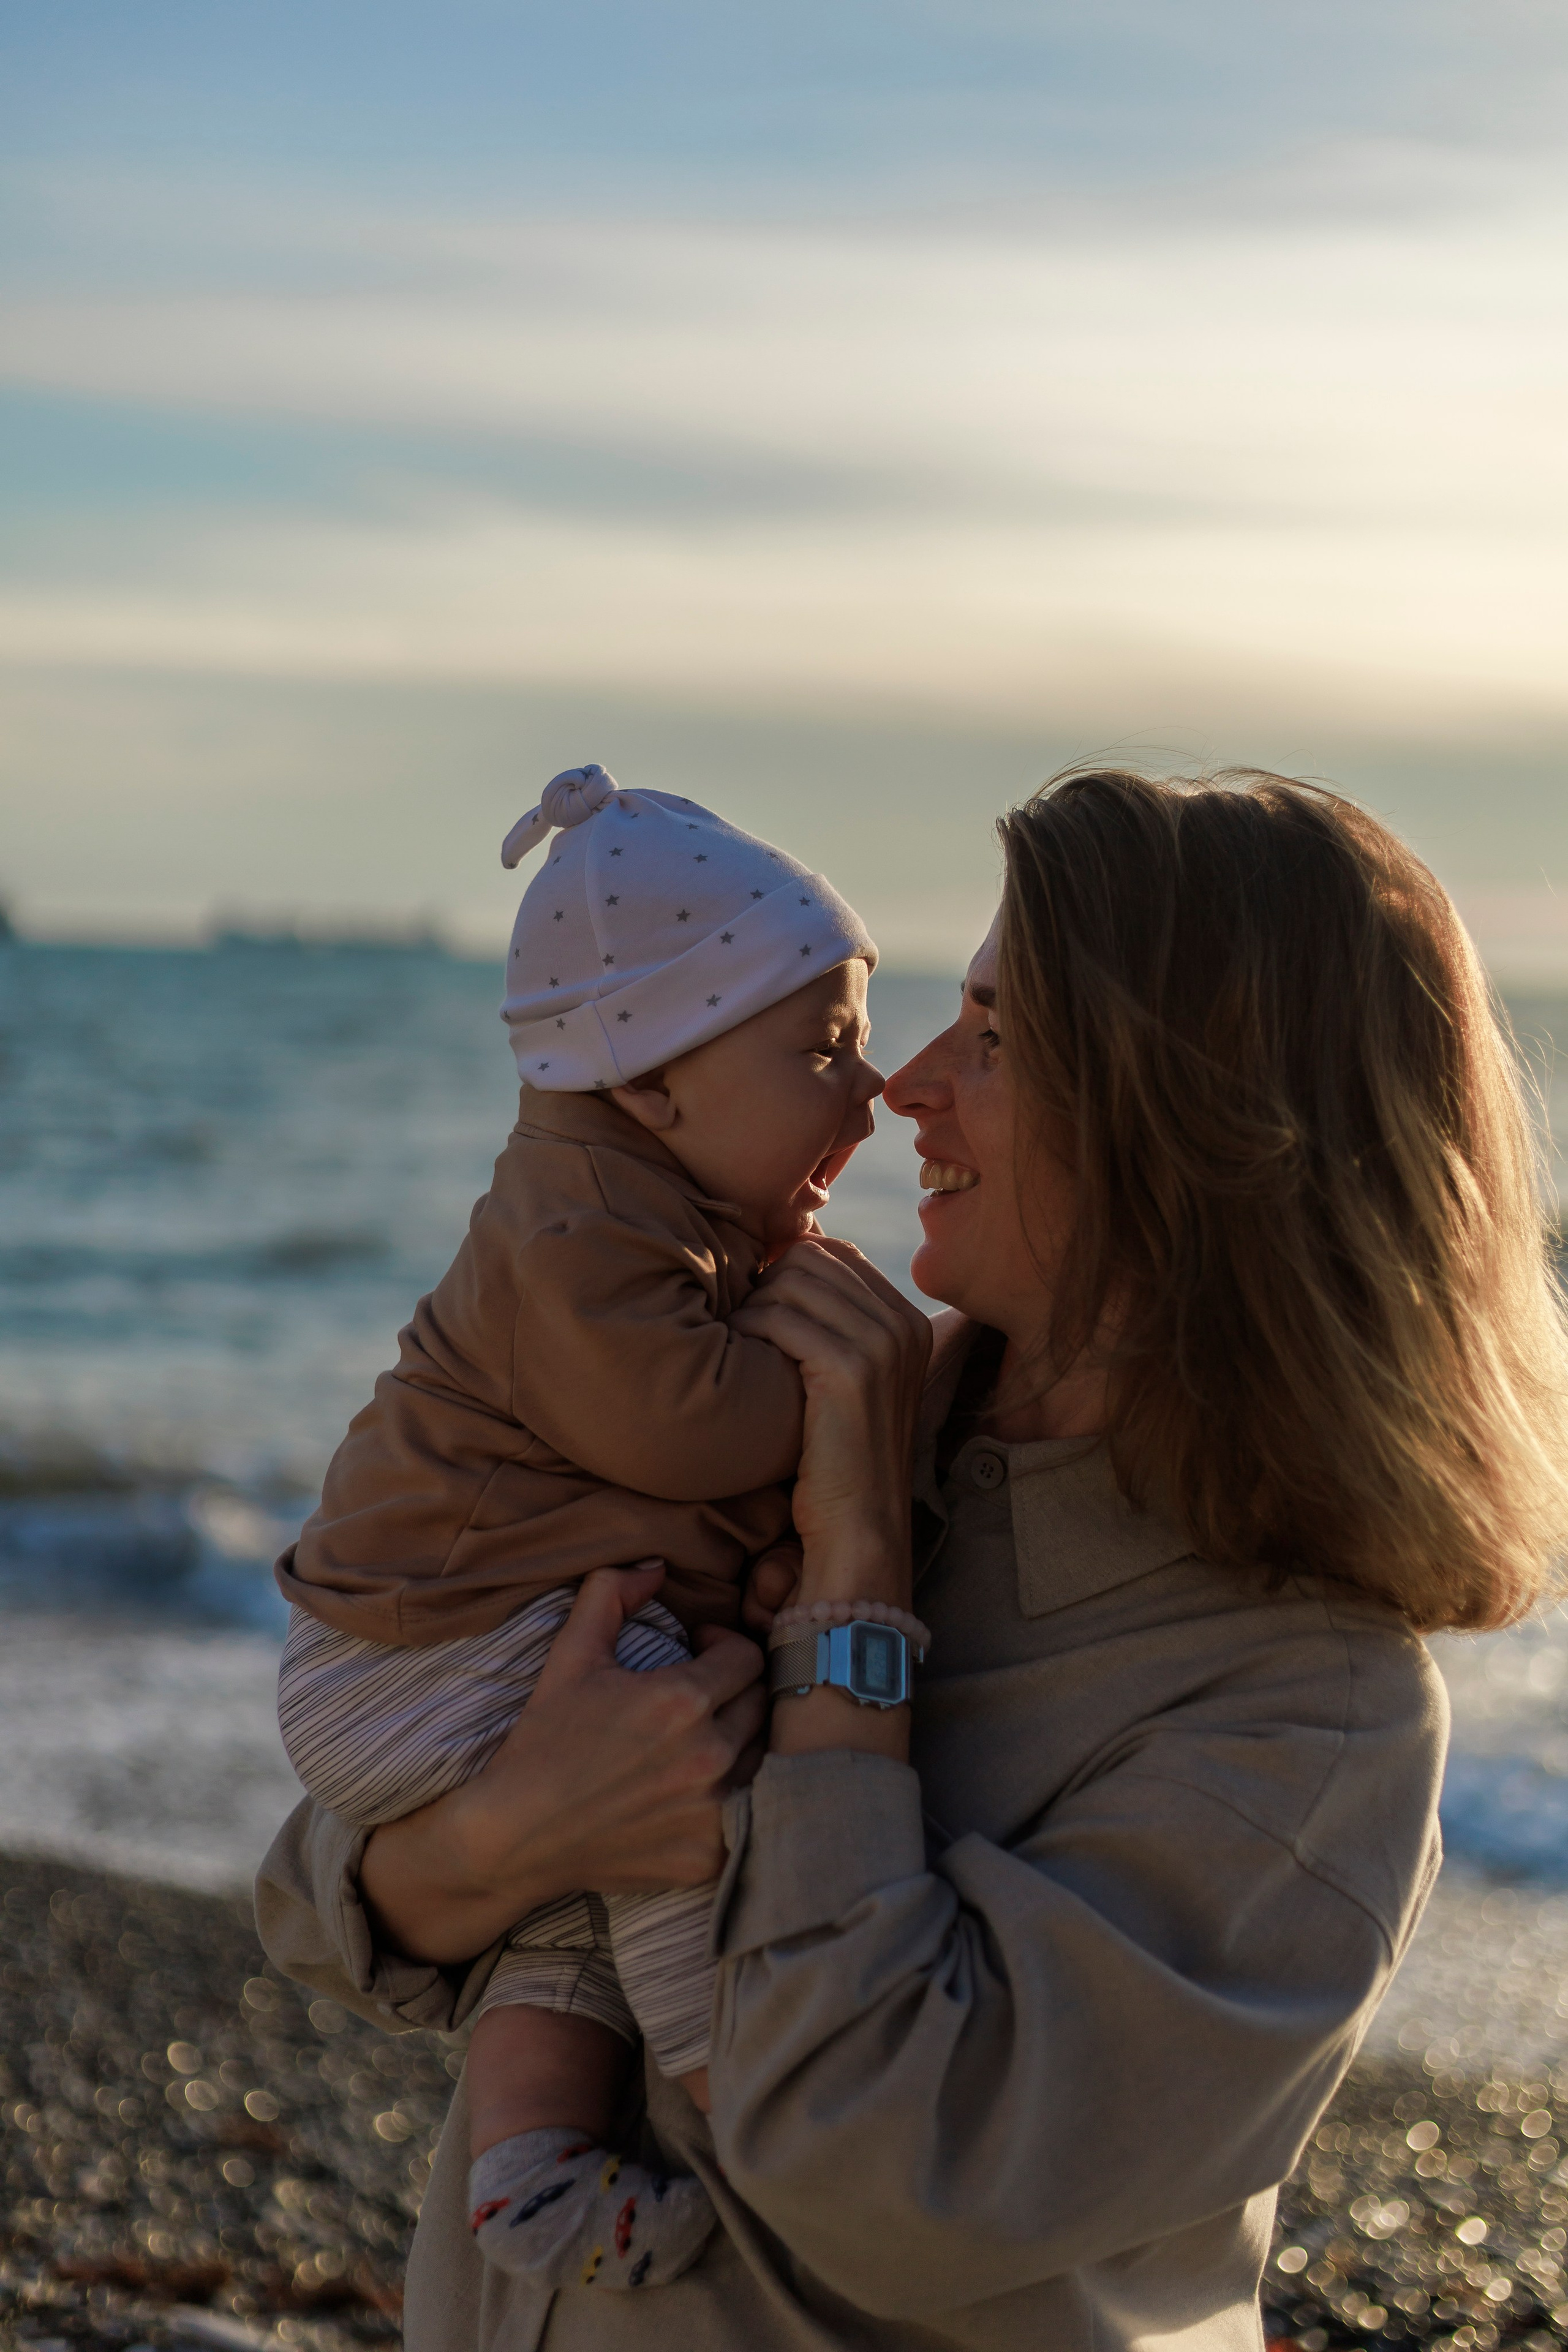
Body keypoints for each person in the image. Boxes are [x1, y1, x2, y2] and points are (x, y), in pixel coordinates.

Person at [258, 768, 1568, 2350]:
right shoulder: (834, 1421)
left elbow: (883, 2182)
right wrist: (525, 1824)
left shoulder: (1309, 1713)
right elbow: (319, 1902)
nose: (908, 1087)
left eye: (1002, 1039)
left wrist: (855, 1602)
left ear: (1199, 1128)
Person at [271, 762, 881, 2291]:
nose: (869, 1092)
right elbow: (679, 1426)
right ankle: (718, 2094)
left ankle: (531, 2169)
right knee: (679, 1800)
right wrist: (852, 1392)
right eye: (823, 1052)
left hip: (432, 1647)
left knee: (574, 1915)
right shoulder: (581, 1219)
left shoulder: (642, 1201)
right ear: (653, 1081)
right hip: (420, 1651)